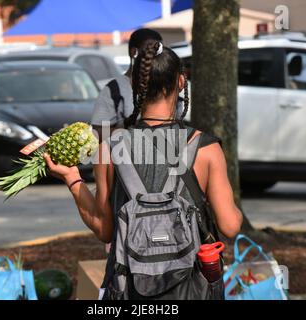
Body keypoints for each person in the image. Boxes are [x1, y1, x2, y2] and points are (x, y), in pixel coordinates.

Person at [44, 41, 243, 300]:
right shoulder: (205, 148)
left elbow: (104, 230)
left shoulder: (110, 148)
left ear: (135, 85)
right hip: (193, 289)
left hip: (129, 289)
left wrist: (72, 178)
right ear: (181, 83)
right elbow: (229, 226)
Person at [91, 28, 163, 137]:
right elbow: (98, 131)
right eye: (149, 50)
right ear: (134, 52)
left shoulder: (166, 85)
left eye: (159, 51)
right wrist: (129, 132)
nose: (155, 56)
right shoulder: (114, 89)